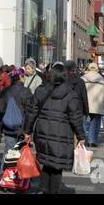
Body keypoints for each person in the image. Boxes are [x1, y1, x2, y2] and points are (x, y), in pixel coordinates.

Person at [23, 63, 86, 194]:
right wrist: (81, 136)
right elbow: (75, 117)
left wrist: (27, 131)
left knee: (47, 161)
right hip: (62, 134)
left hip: (42, 131)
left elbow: (31, 112)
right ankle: (52, 191)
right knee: (57, 166)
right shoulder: (70, 93)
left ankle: (42, 189)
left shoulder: (41, 90)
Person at [0, 67, 32, 173]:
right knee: (21, 151)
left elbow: (1, 108)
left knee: (8, 150)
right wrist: (29, 129)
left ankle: (4, 174)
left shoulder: (5, 91)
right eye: (24, 76)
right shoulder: (26, 91)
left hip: (8, 125)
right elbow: (29, 110)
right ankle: (19, 175)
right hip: (21, 126)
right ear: (21, 77)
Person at [81, 63, 104, 147]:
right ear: (97, 70)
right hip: (97, 104)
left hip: (84, 104)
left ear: (88, 69)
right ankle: (92, 140)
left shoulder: (82, 79)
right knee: (95, 121)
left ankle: (82, 139)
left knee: (83, 121)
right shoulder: (102, 79)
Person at [64, 60, 89, 144]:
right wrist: (86, 111)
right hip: (78, 108)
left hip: (64, 108)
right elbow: (84, 97)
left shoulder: (62, 81)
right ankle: (75, 147)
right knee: (76, 128)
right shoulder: (80, 81)